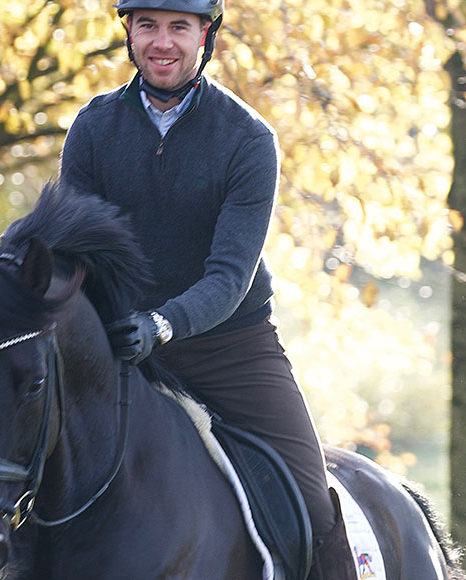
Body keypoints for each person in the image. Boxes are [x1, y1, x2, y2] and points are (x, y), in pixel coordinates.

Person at [59, 2, 358, 579]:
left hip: (230, 349)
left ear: (205, 35)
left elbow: (228, 278)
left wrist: (161, 324)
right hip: (118, 348)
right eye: (147, 26)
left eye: (178, 27)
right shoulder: (93, 128)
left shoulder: (248, 139)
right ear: (128, 32)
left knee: (313, 504)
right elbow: (70, 248)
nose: (162, 42)